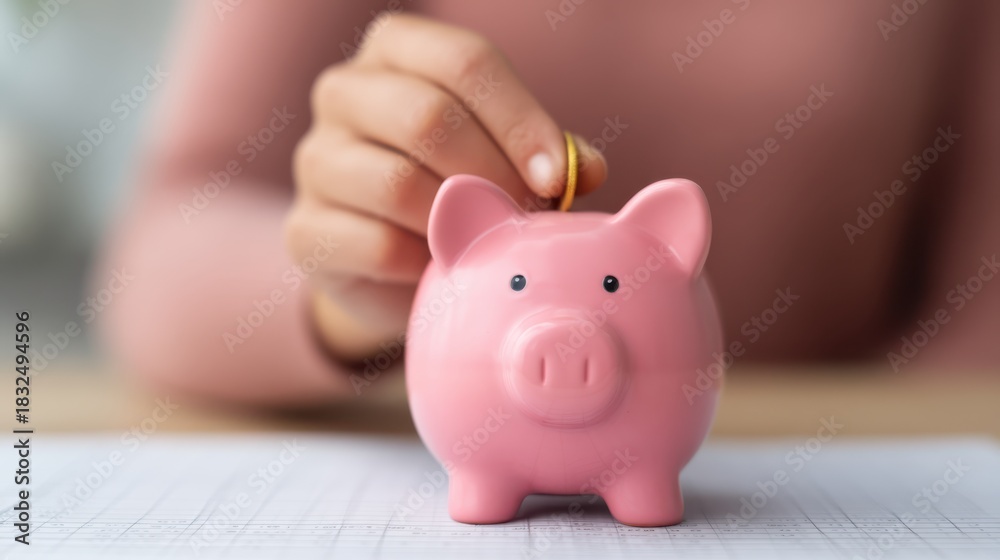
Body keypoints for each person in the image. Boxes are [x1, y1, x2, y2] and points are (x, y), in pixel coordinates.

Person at [97, 1, 1000, 406]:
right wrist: (348, 287)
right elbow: (164, 244)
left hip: (833, 467)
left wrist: (844, 478)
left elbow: (983, 316)